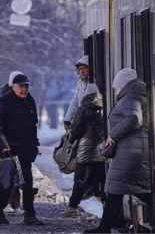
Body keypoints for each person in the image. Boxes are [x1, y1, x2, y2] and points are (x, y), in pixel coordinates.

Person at [84, 68, 151, 234]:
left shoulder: (131, 97)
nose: (116, 91)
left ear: (123, 86)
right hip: (131, 149)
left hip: (130, 151)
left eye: (117, 88)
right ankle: (105, 227)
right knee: (127, 188)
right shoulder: (133, 96)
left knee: (116, 188)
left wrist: (113, 134)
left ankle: (104, 228)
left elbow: (134, 119)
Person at [0, 74, 44, 225]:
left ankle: (30, 215)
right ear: (13, 86)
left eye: (26, 86)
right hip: (9, 150)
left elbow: (33, 125)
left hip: (25, 150)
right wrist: (3, 144)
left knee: (27, 183)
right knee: (8, 185)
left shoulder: (30, 100)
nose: (24, 89)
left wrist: (34, 144)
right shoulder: (3, 101)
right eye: (21, 86)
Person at [0, 71, 26, 216]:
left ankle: (9, 203)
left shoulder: (7, 95)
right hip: (6, 143)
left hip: (10, 143)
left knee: (10, 174)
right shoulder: (7, 98)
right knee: (10, 174)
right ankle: (7, 203)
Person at [60, 84, 106, 217]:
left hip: (84, 151)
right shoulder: (104, 107)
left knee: (80, 181)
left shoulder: (82, 108)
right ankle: (109, 208)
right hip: (101, 151)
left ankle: (73, 207)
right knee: (103, 180)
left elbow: (75, 129)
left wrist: (71, 139)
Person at [64, 55, 95, 200]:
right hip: (82, 123)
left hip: (91, 125)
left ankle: (86, 189)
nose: (82, 71)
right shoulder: (80, 83)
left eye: (85, 68)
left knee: (84, 158)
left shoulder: (94, 83)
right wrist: (67, 119)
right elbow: (75, 101)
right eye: (80, 69)